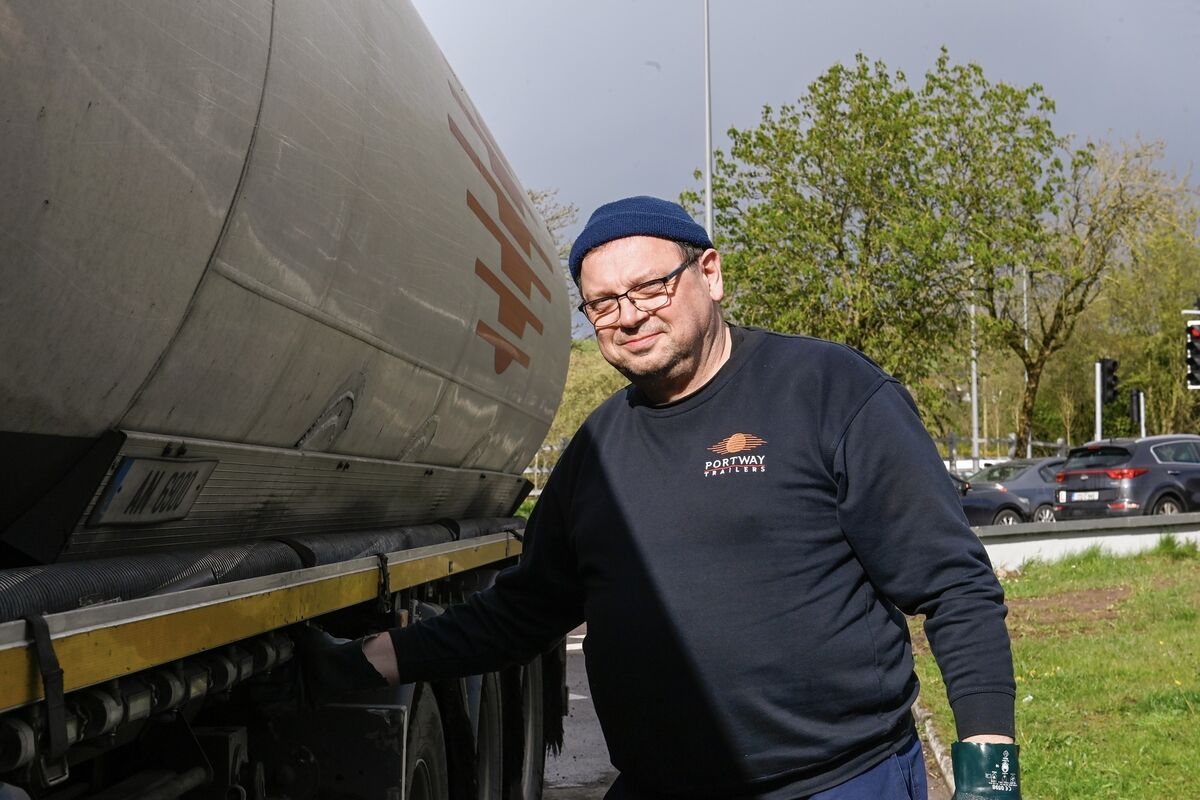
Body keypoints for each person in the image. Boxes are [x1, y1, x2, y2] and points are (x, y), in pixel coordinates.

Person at [309, 196, 1021, 799]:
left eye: (650, 288)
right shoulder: (597, 452)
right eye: (604, 303)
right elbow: (525, 611)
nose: (629, 315)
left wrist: (989, 770)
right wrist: (369, 658)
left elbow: (953, 585)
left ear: (709, 273)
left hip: (839, 781)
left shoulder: (828, 391)